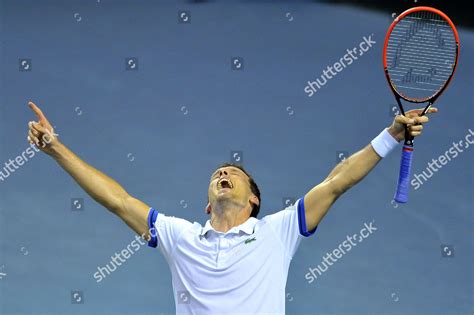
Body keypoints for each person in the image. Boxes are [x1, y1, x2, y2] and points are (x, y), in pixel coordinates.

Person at [26, 100, 437, 314]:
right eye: (217, 174)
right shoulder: (179, 236)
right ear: (207, 205)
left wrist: (391, 135)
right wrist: (56, 148)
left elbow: (337, 181)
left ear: (254, 199)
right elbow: (116, 200)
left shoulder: (277, 232)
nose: (223, 174)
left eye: (233, 173)